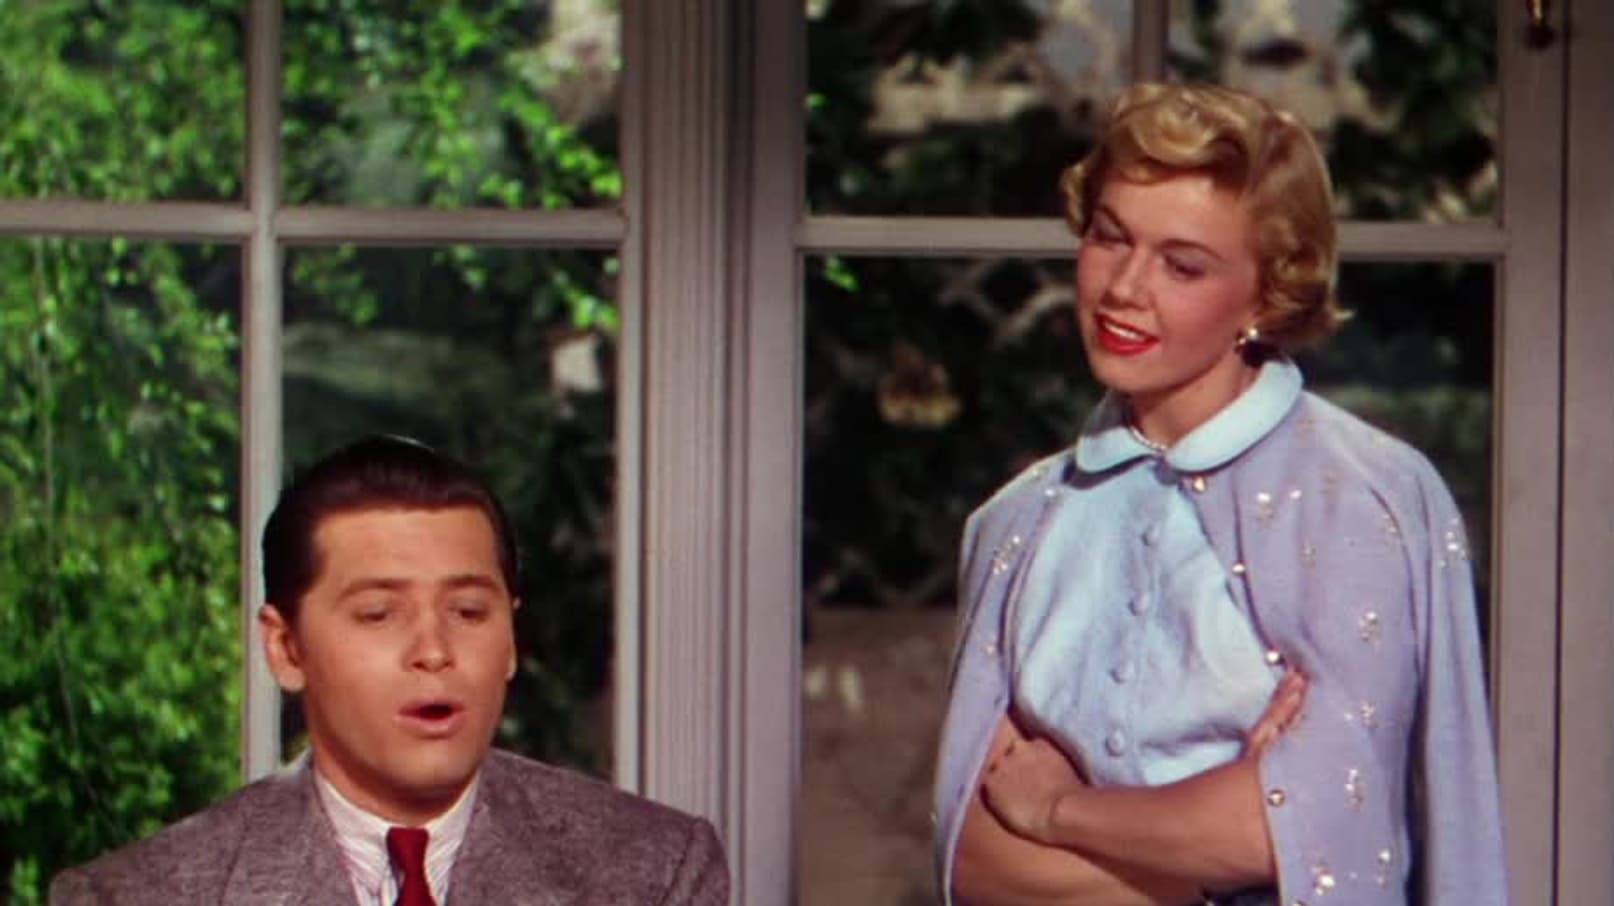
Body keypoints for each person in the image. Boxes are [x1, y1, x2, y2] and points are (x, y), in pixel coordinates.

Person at [932, 82, 1506, 905]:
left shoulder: (1357, 499)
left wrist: (1058, 811)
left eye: (1183, 265)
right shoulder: (1018, 519)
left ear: (1266, 294)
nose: (1125, 288)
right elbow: (976, 861)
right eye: (1110, 237)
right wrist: (1221, 841)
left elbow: (1324, 840)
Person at [51, 435, 728, 905]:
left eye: (468, 611)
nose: (433, 650)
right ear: (286, 648)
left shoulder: (657, 874)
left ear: (510, 638)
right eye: (378, 614)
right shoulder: (131, 896)